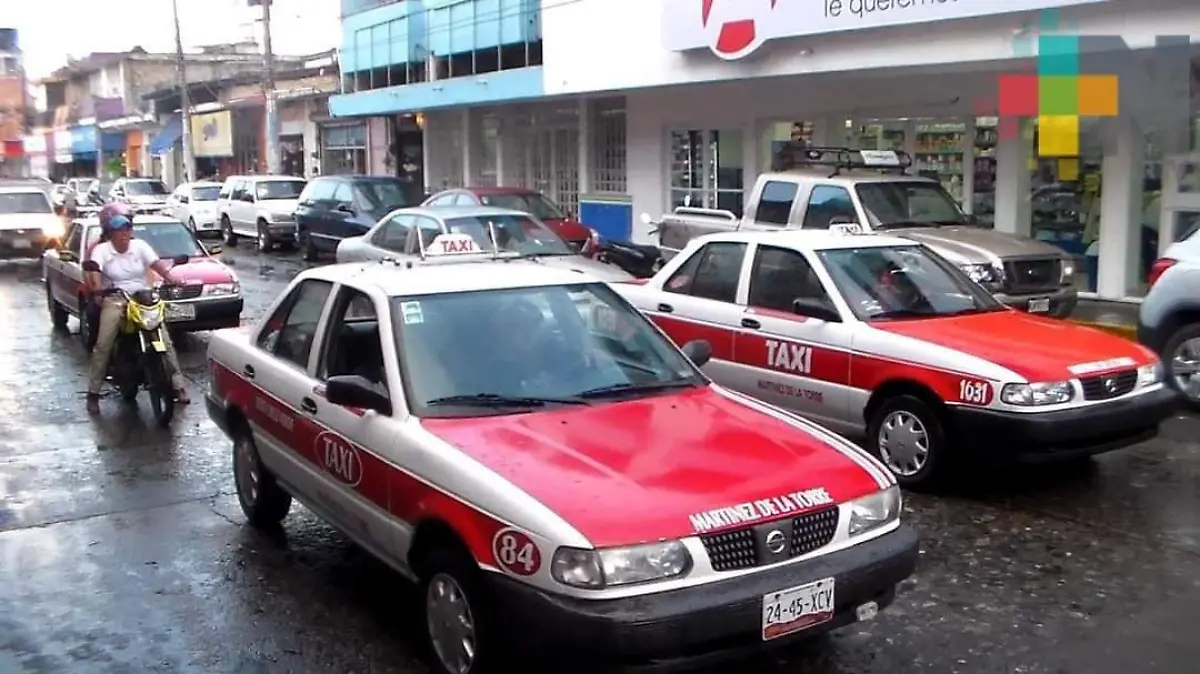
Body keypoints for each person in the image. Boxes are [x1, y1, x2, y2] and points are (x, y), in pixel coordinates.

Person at [85, 203, 190, 414]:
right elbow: (94, 270)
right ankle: (93, 393)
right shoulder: (102, 250)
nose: (124, 233)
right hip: (115, 299)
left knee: (164, 341)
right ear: (110, 233)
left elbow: (156, 265)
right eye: (119, 229)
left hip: (142, 298)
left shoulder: (140, 246)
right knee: (103, 344)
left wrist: (172, 279)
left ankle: (179, 387)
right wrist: (97, 290)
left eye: (127, 228)